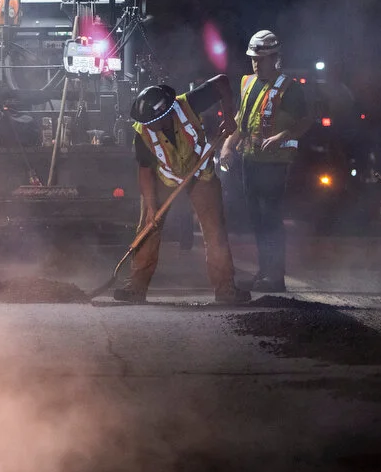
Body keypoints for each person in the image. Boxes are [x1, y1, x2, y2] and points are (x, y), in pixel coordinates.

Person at [117, 78, 250, 305]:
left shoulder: (188, 103)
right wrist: (151, 208)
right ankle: (135, 288)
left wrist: (229, 115)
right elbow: (146, 172)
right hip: (165, 178)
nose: (147, 126)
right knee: (148, 228)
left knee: (214, 230)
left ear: (165, 114)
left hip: (201, 175)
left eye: (152, 122)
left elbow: (222, 82)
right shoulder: (143, 133)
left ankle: (225, 290)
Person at [219, 29, 313, 293]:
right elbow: (240, 121)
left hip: (275, 163)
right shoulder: (248, 83)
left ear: (275, 58)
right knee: (257, 219)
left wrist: (283, 135)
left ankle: (275, 276)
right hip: (250, 161)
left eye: (261, 59)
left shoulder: (289, 88)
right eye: (253, 59)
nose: (256, 63)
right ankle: (264, 272)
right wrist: (228, 145)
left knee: (270, 218)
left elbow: (305, 121)